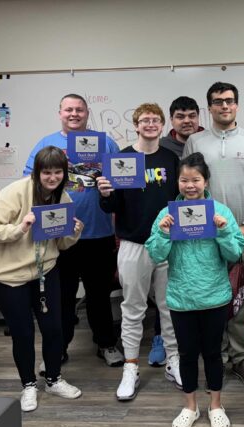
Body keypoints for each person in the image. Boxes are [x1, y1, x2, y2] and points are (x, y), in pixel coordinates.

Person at [145, 153, 244, 427]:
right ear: (177, 181)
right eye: (184, 180)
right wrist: (164, 233)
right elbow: (154, 254)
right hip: (181, 297)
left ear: (206, 181)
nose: (190, 186)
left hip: (214, 295)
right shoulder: (167, 215)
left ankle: (216, 405)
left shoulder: (220, 212)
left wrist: (223, 231)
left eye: (196, 180)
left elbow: (236, 253)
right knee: (187, 355)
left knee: (214, 353)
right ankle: (190, 405)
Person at [0, 146, 84, 412]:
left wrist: (74, 232)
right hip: (9, 276)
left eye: (58, 172)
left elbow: (61, 245)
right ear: (37, 172)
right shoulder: (14, 192)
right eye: (46, 172)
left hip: (44, 271)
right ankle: (28, 385)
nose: (52, 178)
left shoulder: (63, 198)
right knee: (23, 333)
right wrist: (21, 228)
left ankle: (53, 379)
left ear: (65, 173)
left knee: (54, 329)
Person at [23, 93, 123, 369]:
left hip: (99, 233)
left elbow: (122, 177)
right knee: (62, 297)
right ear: (60, 113)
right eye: (69, 110)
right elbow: (29, 180)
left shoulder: (105, 143)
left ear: (87, 112)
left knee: (99, 295)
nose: (74, 114)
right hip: (60, 234)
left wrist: (110, 183)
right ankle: (59, 349)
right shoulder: (47, 144)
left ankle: (106, 343)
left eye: (79, 109)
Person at [184, 82, 244, 389]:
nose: (224, 106)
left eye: (229, 101)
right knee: (210, 297)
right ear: (209, 107)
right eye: (218, 102)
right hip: (205, 237)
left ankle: (241, 357)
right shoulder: (194, 141)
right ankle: (215, 354)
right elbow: (189, 185)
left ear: (237, 105)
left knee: (240, 298)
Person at [98, 102, 182, 400]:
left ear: (162, 125)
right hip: (133, 244)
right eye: (144, 120)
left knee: (169, 307)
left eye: (155, 120)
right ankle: (130, 367)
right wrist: (106, 194)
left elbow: (179, 200)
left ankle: (174, 360)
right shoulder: (121, 159)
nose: (150, 124)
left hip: (167, 244)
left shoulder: (171, 159)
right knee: (132, 309)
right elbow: (111, 206)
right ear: (136, 125)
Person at [147, 95, 205, 367]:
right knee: (167, 286)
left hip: (201, 223)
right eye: (180, 116)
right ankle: (161, 337)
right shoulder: (163, 147)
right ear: (171, 120)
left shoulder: (205, 141)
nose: (187, 121)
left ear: (198, 117)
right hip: (171, 222)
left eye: (192, 115)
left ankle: (201, 340)